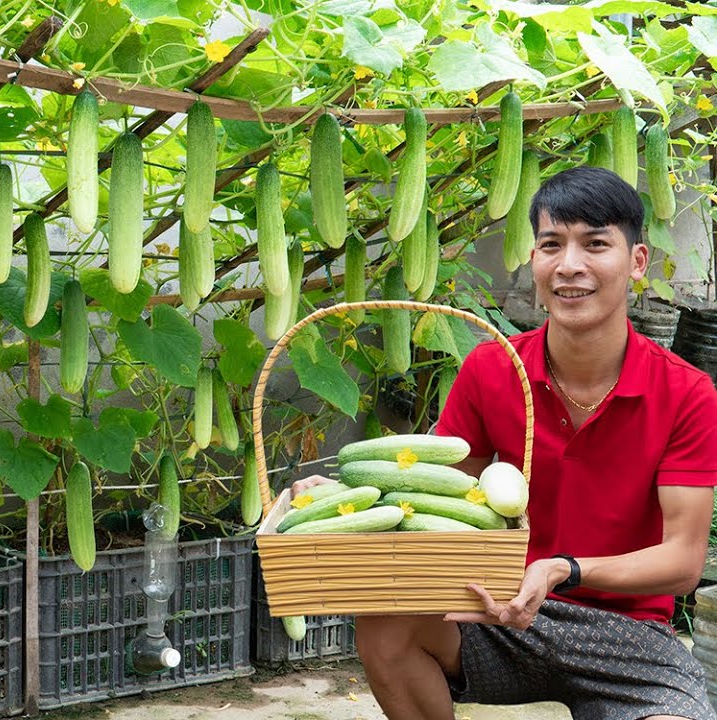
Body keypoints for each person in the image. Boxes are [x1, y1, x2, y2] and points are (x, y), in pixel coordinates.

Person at [293, 166, 717, 720]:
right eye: (551, 244)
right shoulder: (494, 367)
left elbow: (682, 562)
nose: (570, 266)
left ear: (637, 262)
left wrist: (560, 568)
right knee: (385, 622)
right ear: (534, 262)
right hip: (499, 612)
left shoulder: (687, 393)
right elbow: (441, 493)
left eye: (595, 244)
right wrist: (351, 493)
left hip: (628, 634)